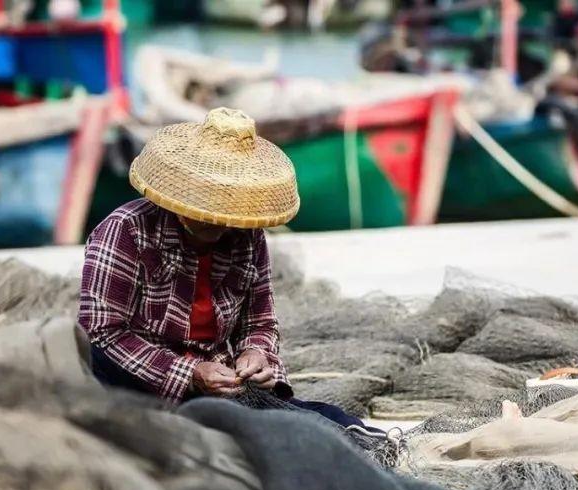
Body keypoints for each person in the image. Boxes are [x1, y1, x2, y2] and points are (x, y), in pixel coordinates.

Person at [78, 107, 384, 436]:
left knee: (336, 424)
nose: (218, 222)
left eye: (227, 210)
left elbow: (260, 323)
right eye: (209, 209)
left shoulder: (247, 237)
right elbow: (102, 333)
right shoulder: (127, 230)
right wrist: (191, 372)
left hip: (220, 387)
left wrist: (258, 356)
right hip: (138, 381)